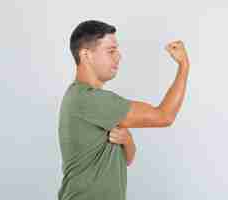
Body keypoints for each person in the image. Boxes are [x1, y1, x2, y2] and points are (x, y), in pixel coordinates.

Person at [57, 20, 190, 200]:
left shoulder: (90, 103)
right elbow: (164, 116)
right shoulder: (89, 100)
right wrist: (184, 66)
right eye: (111, 51)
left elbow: (126, 160)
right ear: (86, 55)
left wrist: (127, 140)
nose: (118, 56)